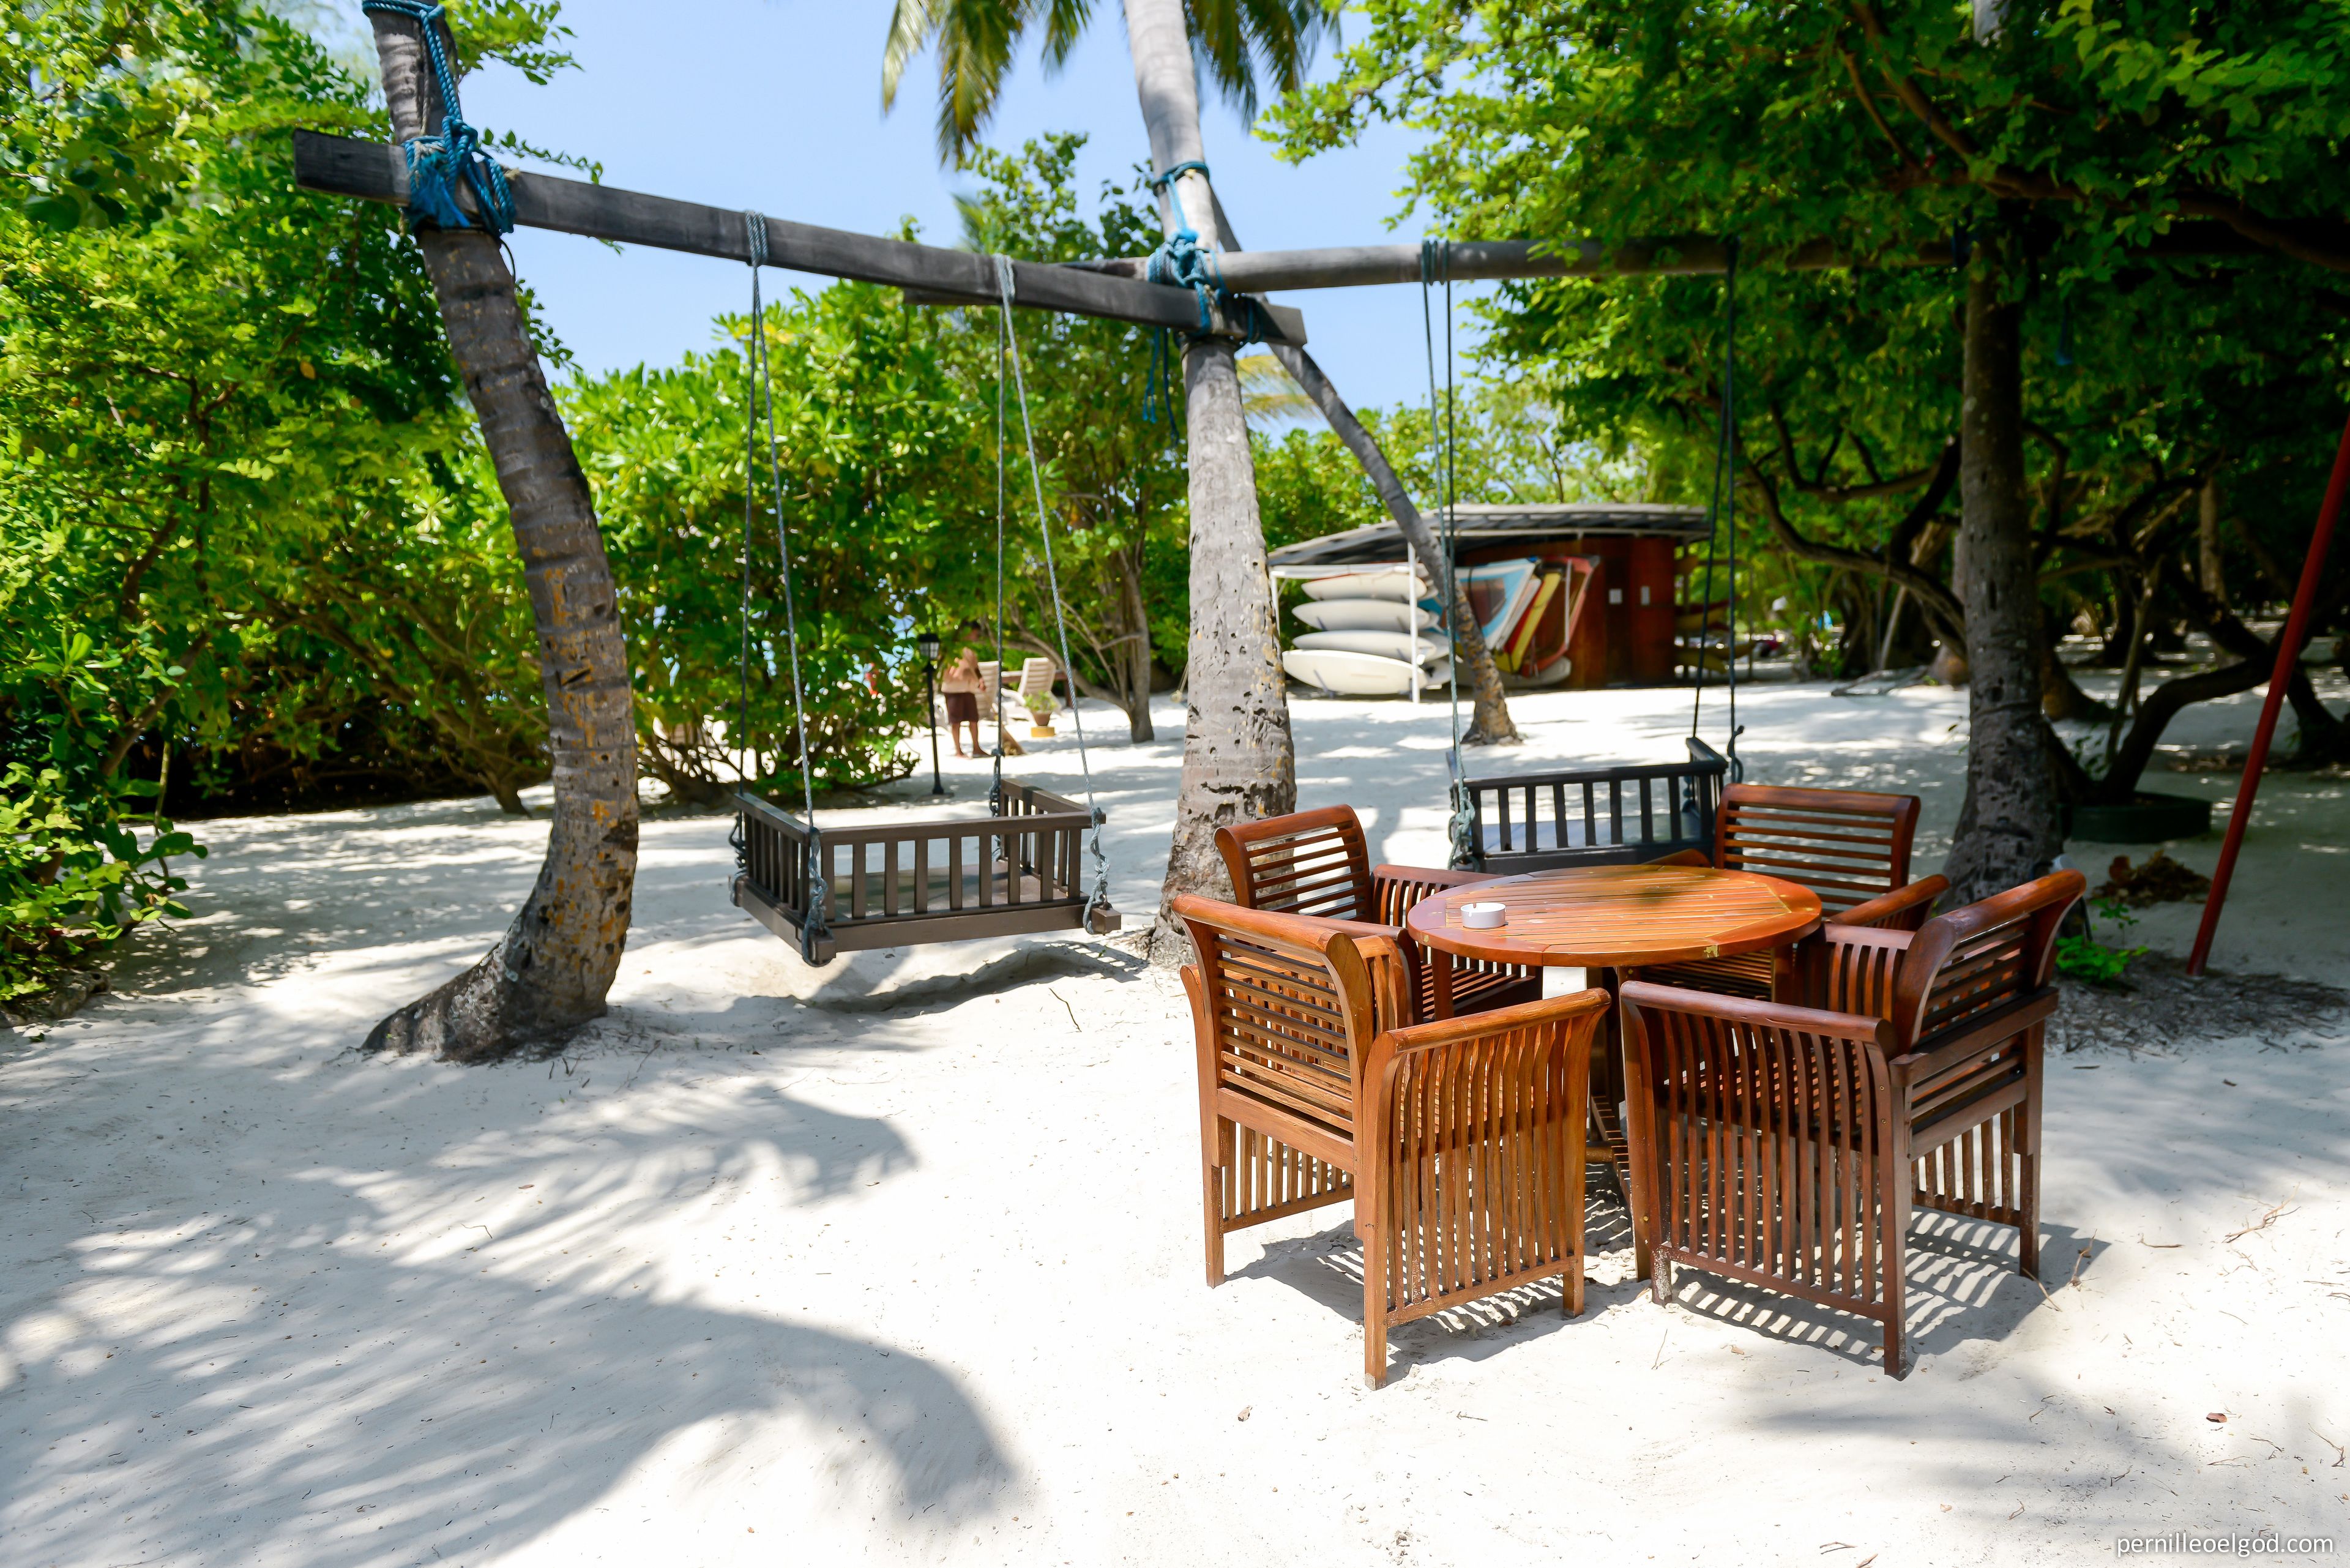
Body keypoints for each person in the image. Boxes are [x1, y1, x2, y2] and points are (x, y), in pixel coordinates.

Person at [940, 647, 984, 759]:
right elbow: (942, 667)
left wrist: (980, 680)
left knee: (974, 719)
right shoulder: (949, 648)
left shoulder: (970, 649)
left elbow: (975, 667)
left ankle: (976, 748)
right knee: (956, 721)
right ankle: (958, 751)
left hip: (969, 687)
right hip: (953, 688)